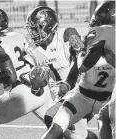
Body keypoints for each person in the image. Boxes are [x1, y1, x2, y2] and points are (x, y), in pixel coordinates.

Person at [0, 7, 88, 139]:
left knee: (75, 133)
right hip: (47, 91)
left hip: (73, 91)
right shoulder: (22, 39)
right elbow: (34, 63)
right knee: (63, 130)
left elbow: (80, 62)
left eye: (36, 28)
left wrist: (68, 82)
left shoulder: (65, 36)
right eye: (32, 28)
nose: (33, 32)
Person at [40, 1, 115, 139]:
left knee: (105, 127)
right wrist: (68, 83)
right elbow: (77, 67)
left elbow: (83, 65)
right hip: (82, 95)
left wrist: (81, 51)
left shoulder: (100, 34)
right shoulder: (93, 39)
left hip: (108, 99)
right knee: (54, 121)